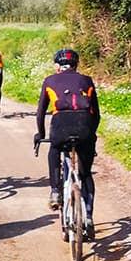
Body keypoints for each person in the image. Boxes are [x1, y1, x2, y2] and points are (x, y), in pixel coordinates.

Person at [34, 48, 101, 240]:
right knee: (86, 174)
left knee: (54, 149)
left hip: (61, 126)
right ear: (76, 65)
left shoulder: (49, 81)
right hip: (84, 126)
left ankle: (55, 191)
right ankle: (88, 218)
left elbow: (40, 112)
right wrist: (92, 134)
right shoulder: (86, 80)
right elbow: (96, 113)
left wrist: (41, 133)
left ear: (57, 66)